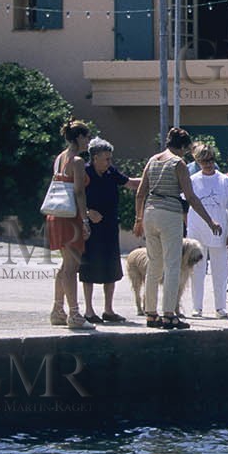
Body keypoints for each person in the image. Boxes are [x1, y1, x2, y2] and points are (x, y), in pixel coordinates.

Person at [133, 127, 221, 329]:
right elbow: (190, 196)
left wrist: (138, 219)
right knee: (172, 265)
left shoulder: (153, 160)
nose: (186, 153)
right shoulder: (178, 163)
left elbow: (140, 192)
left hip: (149, 212)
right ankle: (169, 315)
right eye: (186, 149)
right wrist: (209, 220)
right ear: (181, 147)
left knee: (154, 264)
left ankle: (150, 313)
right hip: (169, 213)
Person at [79, 136, 138, 324]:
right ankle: (89, 310)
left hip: (110, 226)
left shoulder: (111, 172)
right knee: (88, 268)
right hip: (90, 228)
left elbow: (130, 183)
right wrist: (87, 213)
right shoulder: (84, 172)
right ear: (95, 157)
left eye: (110, 158)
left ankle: (108, 310)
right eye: (106, 159)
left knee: (111, 268)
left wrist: (152, 175)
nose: (109, 162)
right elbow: (73, 197)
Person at [47, 119, 93, 330]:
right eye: (87, 136)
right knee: (72, 266)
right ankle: (74, 314)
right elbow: (79, 192)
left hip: (56, 214)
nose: (89, 141)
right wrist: (84, 220)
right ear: (79, 137)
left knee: (65, 264)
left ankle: (58, 310)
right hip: (70, 216)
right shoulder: (77, 161)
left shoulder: (60, 158)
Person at [187, 144, 228, 318]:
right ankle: (197, 307)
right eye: (204, 161)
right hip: (197, 232)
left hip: (220, 233)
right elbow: (185, 204)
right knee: (197, 270)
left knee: (220, 270)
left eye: (210, 160)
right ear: (198, 161)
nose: (208, 164)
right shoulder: (193, 180)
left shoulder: (224, 180)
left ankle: (220, 307)